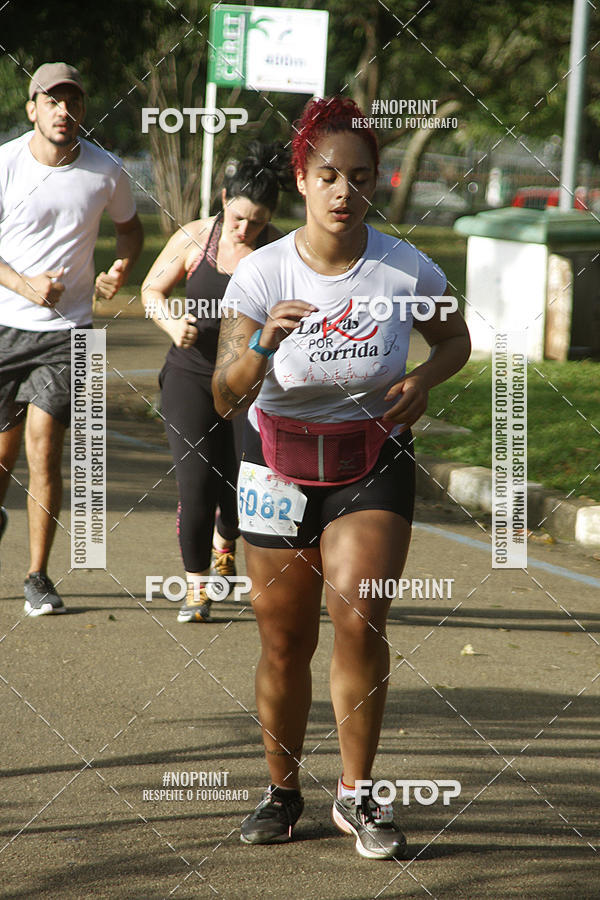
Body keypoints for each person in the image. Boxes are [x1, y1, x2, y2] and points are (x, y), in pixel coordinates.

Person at [213, 97, 471, 858]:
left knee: (360, 614)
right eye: (328, 174)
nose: (343, 192)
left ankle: (358, 796)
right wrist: (262, 342)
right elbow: (226, 393)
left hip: (373, 456)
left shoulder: (405, 266)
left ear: (375, 183)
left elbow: (454, 339)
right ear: (301, 177)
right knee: (286, 639)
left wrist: (424, 379)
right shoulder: (262, 272)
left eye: (360, 178)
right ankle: (281, 790)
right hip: (277, 461)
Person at [0, 62, 143, 615]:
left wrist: (121, 268)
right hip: (6, 325)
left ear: (83, 110)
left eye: (74, 102)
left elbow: (128, 229)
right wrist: (24, 284)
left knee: (45, 446)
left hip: (70, 332)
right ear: (32, 107)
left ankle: (38, 575)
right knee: (4, 453)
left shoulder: (106, 170)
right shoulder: (6, 162)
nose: (64, 111)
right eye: (52, 101)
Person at [141, 143, 288, 623]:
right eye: (240, 217)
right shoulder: (195, 237)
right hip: (189, 372)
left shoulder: (281, 251)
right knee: (197, 481)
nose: (246, 230)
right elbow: (151, 289)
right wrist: (169, 323)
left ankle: (228, 539)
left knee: (242, 488)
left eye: (258, 221)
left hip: (249, 381)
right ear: (224, 199)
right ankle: (197, 588)